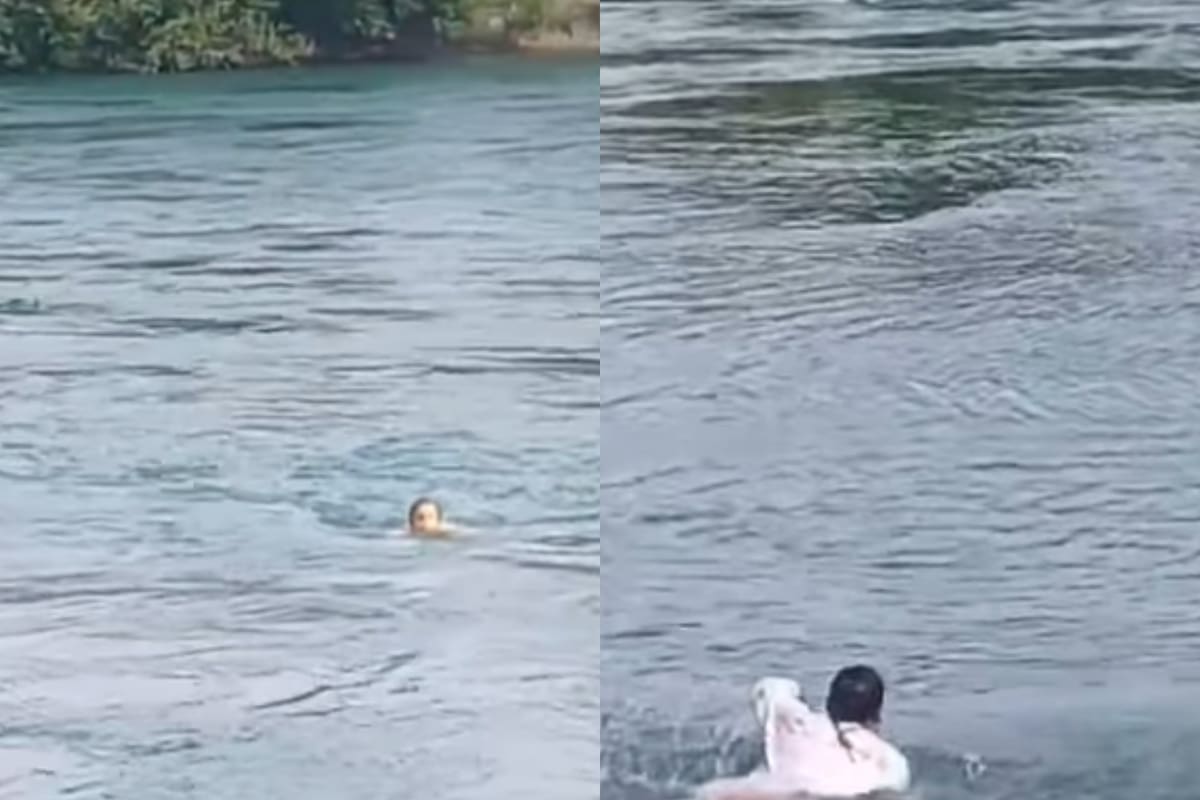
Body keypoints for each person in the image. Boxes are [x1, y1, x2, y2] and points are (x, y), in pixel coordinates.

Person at [698, 665, 910, 800]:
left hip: (758, 789)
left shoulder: (795, 719)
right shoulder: (887, 760)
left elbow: (770, 686)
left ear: (829, 700)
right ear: (877, 713)